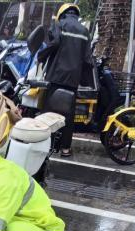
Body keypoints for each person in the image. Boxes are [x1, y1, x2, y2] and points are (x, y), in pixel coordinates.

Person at [37, 3, 92, 157]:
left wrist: (41, 56)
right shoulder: (84, 31)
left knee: (49, 112)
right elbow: (88, 59)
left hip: (56, 77)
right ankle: (65, 149)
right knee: (68, 115)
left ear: (62, 13)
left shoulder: (59, 25)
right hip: (73, 80)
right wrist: (86, 80)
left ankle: (47, 145)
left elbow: (53, 43)